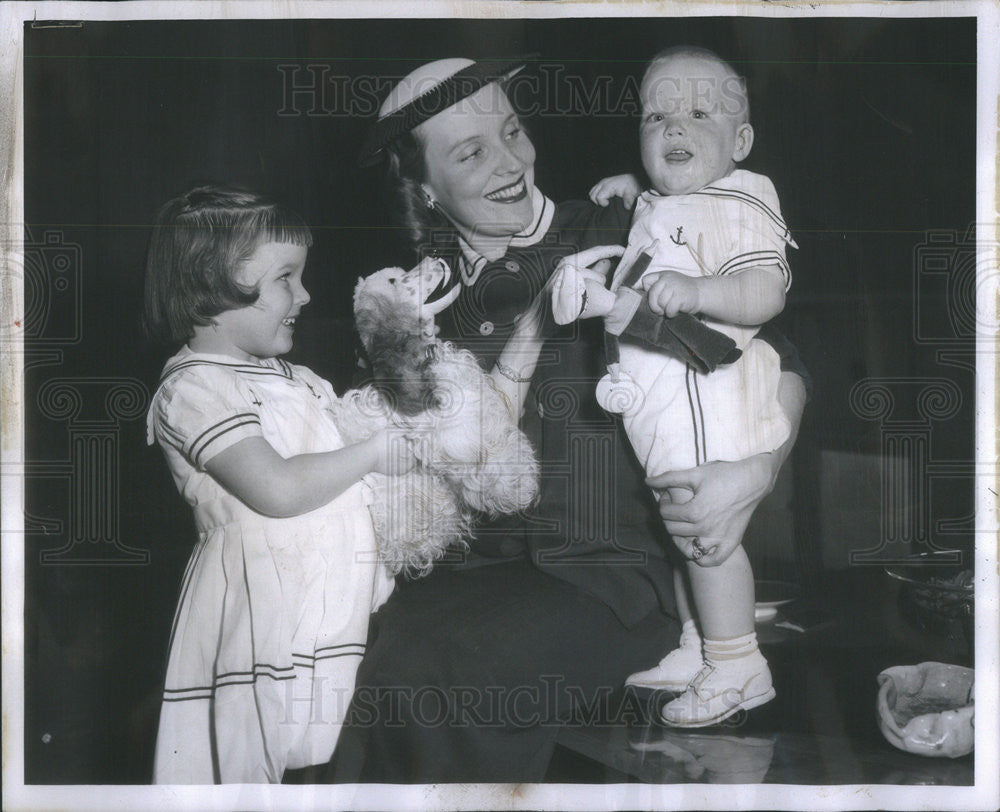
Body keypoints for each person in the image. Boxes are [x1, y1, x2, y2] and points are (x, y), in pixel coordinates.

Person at [325, 56, 808, 783]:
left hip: (619, 581)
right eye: (472, 152)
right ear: (422, 187)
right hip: (468, 576)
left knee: (448, 677)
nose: (512, 162)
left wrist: (754, 473)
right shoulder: (408, 306)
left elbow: (782, 357)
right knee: (339, 660)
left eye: (513, 131)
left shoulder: (628, 226)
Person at [553, 46, 796, 727]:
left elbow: (765, 291)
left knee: (704, 535)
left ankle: (739, 666)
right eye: (656, 116)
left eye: (697, 114)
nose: (673, 129)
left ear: (741, 142)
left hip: (707, 390)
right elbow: (669, 227)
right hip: (662, 399)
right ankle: (700, 645)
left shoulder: (743, 200)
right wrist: (639, 196)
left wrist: (698, 290)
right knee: (677, 528)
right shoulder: (672, 201)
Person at [144, 186, 411, 783]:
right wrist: (373, 453)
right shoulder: (193, 389)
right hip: (267, 609)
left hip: (341, 597)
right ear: (212, 282)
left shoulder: (301, 378)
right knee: (261, 759)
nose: (306, 295)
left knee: (341, 759)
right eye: (285, 278)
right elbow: (278, 489)